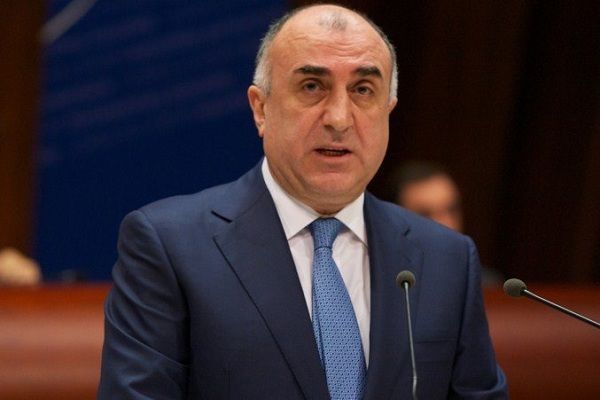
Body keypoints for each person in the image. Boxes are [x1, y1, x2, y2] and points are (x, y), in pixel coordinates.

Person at [98, 4, 507, 399]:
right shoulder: (170, 246)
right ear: (260, 108)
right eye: (312, 86)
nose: (339, 118)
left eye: (363, 90)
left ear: (388, 111)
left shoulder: (446, 259)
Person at [394, 161, 504, 286]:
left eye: (451, 210)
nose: (444, 224)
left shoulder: (486, 286)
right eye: (425, 214)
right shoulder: (381, 285)